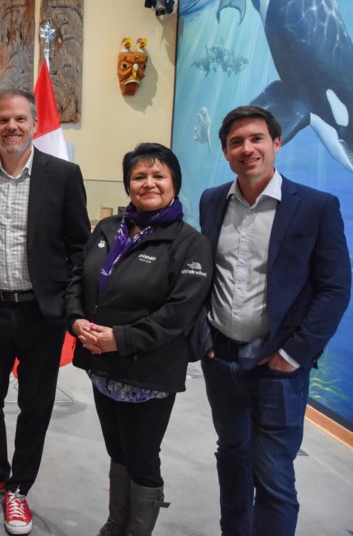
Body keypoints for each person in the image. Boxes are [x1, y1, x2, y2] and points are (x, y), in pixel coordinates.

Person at [0, 88, 90, 535]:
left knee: (34, 405)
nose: (12, 127)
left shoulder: (63, 175)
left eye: (20, 119)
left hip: (42, 313)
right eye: (3, 119)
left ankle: (19, 489)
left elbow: (80, 245)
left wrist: (73, 305)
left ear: (34, 124)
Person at [199, 105, 351, 536]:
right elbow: (205, 276)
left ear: (277, 143)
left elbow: (334, 288)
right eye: (236, 142)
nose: (247, 149)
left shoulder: (315, 207)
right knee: (231, 459)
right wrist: (204, 339)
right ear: (226, 152)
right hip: (221, 361)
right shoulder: (212, 201)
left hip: (278, 367)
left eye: (256, 139)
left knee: (273, 476)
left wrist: (292, 354)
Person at [66, 143, 213, 536]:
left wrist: (122, 339)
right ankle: (116, 524)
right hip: (102, 365)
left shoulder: (189, 242)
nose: (149, 183)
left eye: (158, 176)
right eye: (139, 176)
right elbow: (77, 279)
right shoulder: (107, 229)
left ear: (174, 183)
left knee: (143, 458)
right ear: (128, 184)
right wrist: (76, 320)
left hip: (148, 372)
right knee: (118, 451)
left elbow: (178, 313)